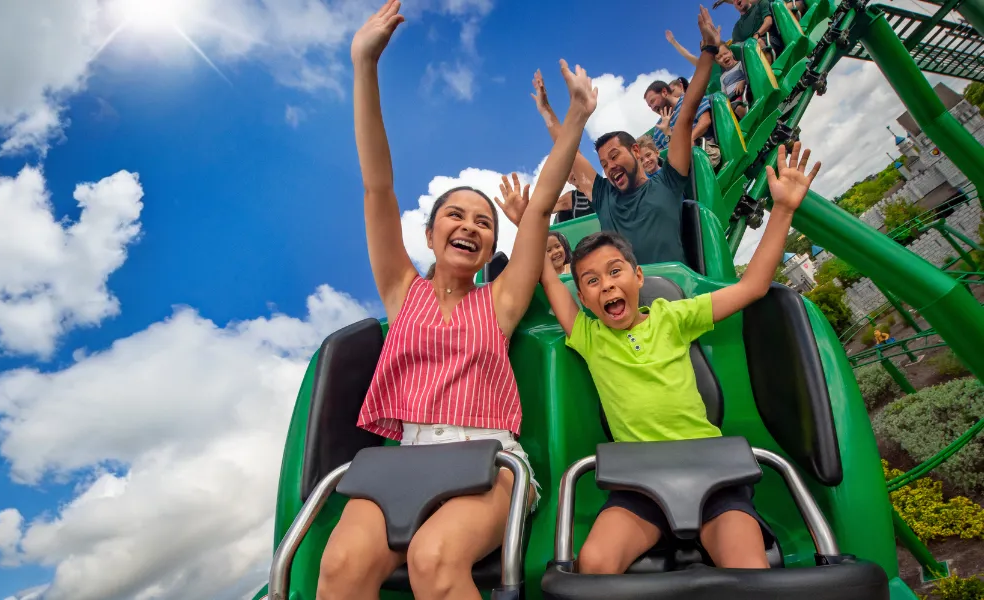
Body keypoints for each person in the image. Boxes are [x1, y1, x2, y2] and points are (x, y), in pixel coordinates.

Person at [318, 2, 598, 597]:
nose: (470, 226)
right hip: (404, 459)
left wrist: (574, 118)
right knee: (339, 567)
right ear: (431, 232)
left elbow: (543, 205)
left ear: (494, 241)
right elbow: (377, 186)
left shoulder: (500, 301)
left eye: (484, 221)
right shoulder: (402, 290)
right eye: (455, 215)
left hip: (484, 461)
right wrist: (363, 66)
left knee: (434, 559)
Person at [538, 141, 823, 574]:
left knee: (749, 566)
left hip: (709, 469)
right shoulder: (588, 336)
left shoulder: (674, 316)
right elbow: (548, 280)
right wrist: (532, 222)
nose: (607, 286)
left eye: (615, 272)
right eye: (592, 281)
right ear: (584, 297)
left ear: (638, 277)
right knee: (594, 563)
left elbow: (752, 288)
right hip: (638, 482)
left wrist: (782, 210)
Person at [531, 7, 723, 267]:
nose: (609, 167)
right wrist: (546, 111)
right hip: (628, 299)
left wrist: (709, 50)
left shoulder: (668, 181)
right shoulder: (604, 196)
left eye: (613, 156)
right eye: (604, 164)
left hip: (676, 295)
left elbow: (687, 113)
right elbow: (569, 152)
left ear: (635, 150)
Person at [645, 80, 712, 151]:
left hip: (704, 149)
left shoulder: (691, 98)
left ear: (664, 92)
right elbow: (664, 156)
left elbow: (705, 121)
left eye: (653, 101)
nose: (653, 108)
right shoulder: (658, 130)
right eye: (650, 106)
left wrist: (690, 139)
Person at [717, 44, 750, 119]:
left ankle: (750, 119)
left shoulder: (740, 64)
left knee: (737, 107)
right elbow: (724, 93)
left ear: (731, 52)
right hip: (731, 99)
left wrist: (742, 81)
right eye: (719, 58)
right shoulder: (722, 77)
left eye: (725, 53)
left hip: (742, 93)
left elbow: (749, 75)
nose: (724, 57)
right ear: (717, 62)